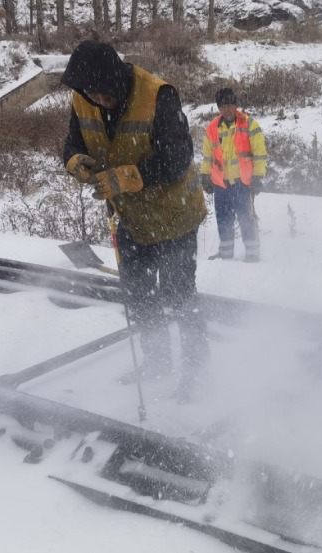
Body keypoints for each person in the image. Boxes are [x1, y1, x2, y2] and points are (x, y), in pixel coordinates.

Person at [61, 40, 209, 401]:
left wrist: (125, 177)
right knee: (140, 296)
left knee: (178, 295)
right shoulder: (83, 99)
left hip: (173, 216)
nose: (99, 100)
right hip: (128, 219)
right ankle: (157, 360)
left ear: (116, 80)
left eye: (104, 93)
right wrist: (78, 162)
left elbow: (178, 157)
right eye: (91, 93)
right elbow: (71, 143)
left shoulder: (158, 95)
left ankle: (196, 368)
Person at [199, 88, 268, 263]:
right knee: (223, 219)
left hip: (242, 183)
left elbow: (260, 153)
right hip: (221, 184)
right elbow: (208, 156)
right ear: (219, 108)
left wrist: (258, 176)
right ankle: (226, 254)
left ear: (235, 105)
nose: (227, 109)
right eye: (223, 106)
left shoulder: (249, 124)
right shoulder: (212, 127)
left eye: (230, 105)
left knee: (246, 218)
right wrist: (204, 175)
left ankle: (253, 254)